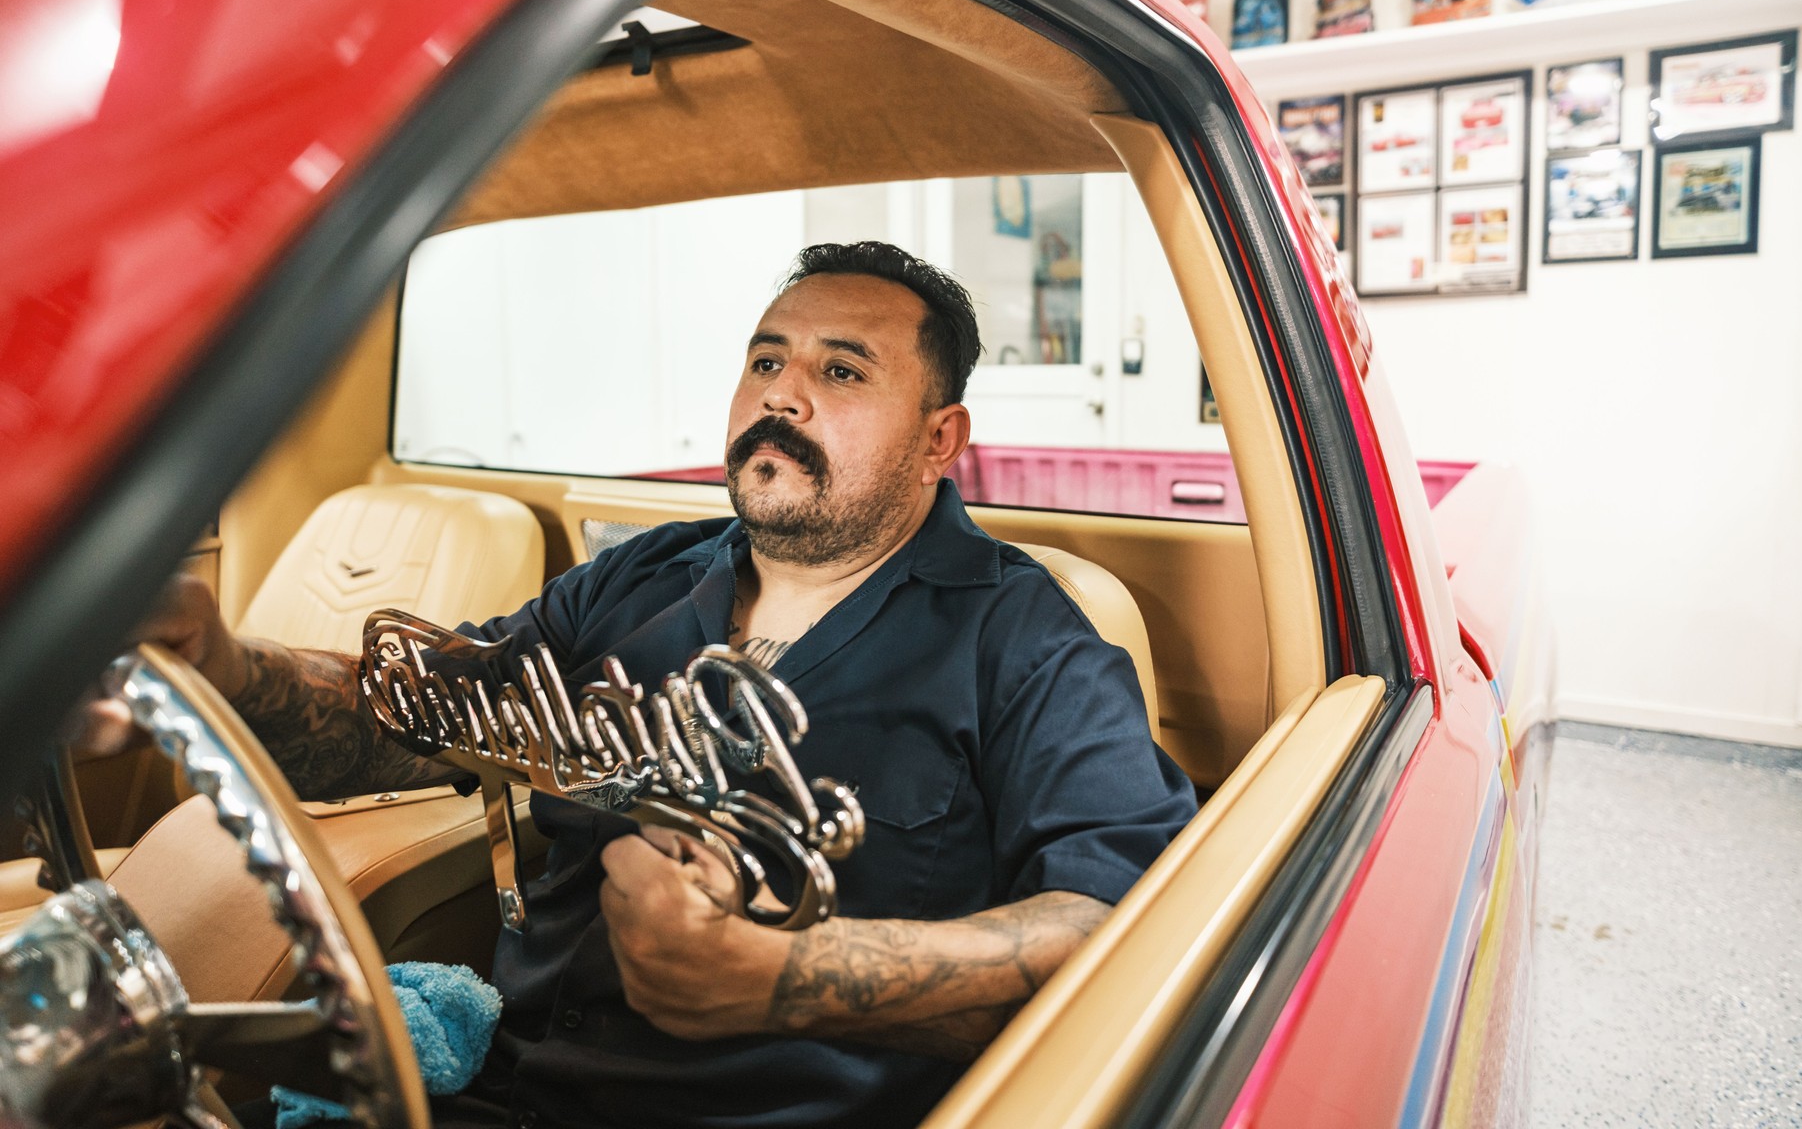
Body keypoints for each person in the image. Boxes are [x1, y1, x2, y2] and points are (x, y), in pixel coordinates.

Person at [86, 241, 1197, 1129]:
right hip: (501, 1086)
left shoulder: (1032, 640)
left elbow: (1116, 924)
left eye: (841, 370)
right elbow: (416, 717)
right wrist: (227, 667)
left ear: (937, 437)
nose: (785, 395)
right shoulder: (639, 578)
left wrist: (785, 977)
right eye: (767, 360)